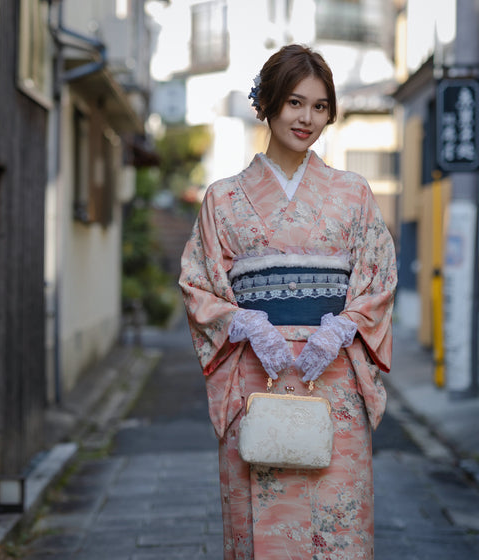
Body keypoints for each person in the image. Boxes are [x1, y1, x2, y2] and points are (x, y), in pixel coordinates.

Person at [179, 44, 397, 559]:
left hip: (335, 377)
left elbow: (379, 278)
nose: (307, 118)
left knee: (337, 524)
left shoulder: (352, 193)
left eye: (320, 107)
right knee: (262, 529)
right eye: (296, 103)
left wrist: (341, 329)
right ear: (269, 103)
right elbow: (197, 284)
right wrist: (249, 325)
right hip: (256, 375)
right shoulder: (225, 198)